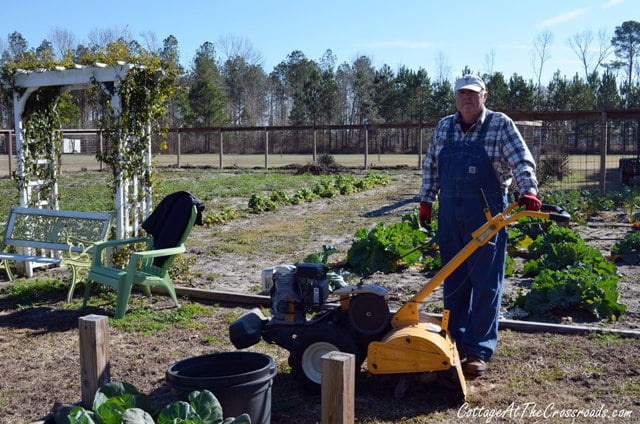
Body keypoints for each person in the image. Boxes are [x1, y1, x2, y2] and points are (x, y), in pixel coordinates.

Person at [418, 74, 540, 377]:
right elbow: (431, 165)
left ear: (484, 96)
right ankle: (455, 340)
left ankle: (479, 349)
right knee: (453, 277)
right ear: (455, 98)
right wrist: (426, 200)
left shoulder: (500, 124)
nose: (467, 99)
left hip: (486, 212)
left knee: (485, 282)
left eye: (473, 94)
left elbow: (521, 160)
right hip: (450, 212)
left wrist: (529, 190)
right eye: (462, 94)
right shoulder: (444, 126)